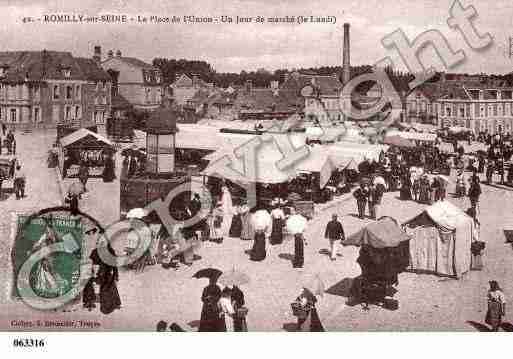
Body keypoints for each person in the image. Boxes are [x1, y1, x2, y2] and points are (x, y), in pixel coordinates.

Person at [96, 244, 121, 315]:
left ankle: (112, 305)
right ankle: (109, 305)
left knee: (110, 289)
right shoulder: (101, 252)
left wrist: (116, 275)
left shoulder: (110, 252)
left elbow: (115, 266)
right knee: (106, 290)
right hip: (102, 274)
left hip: (108, 274)